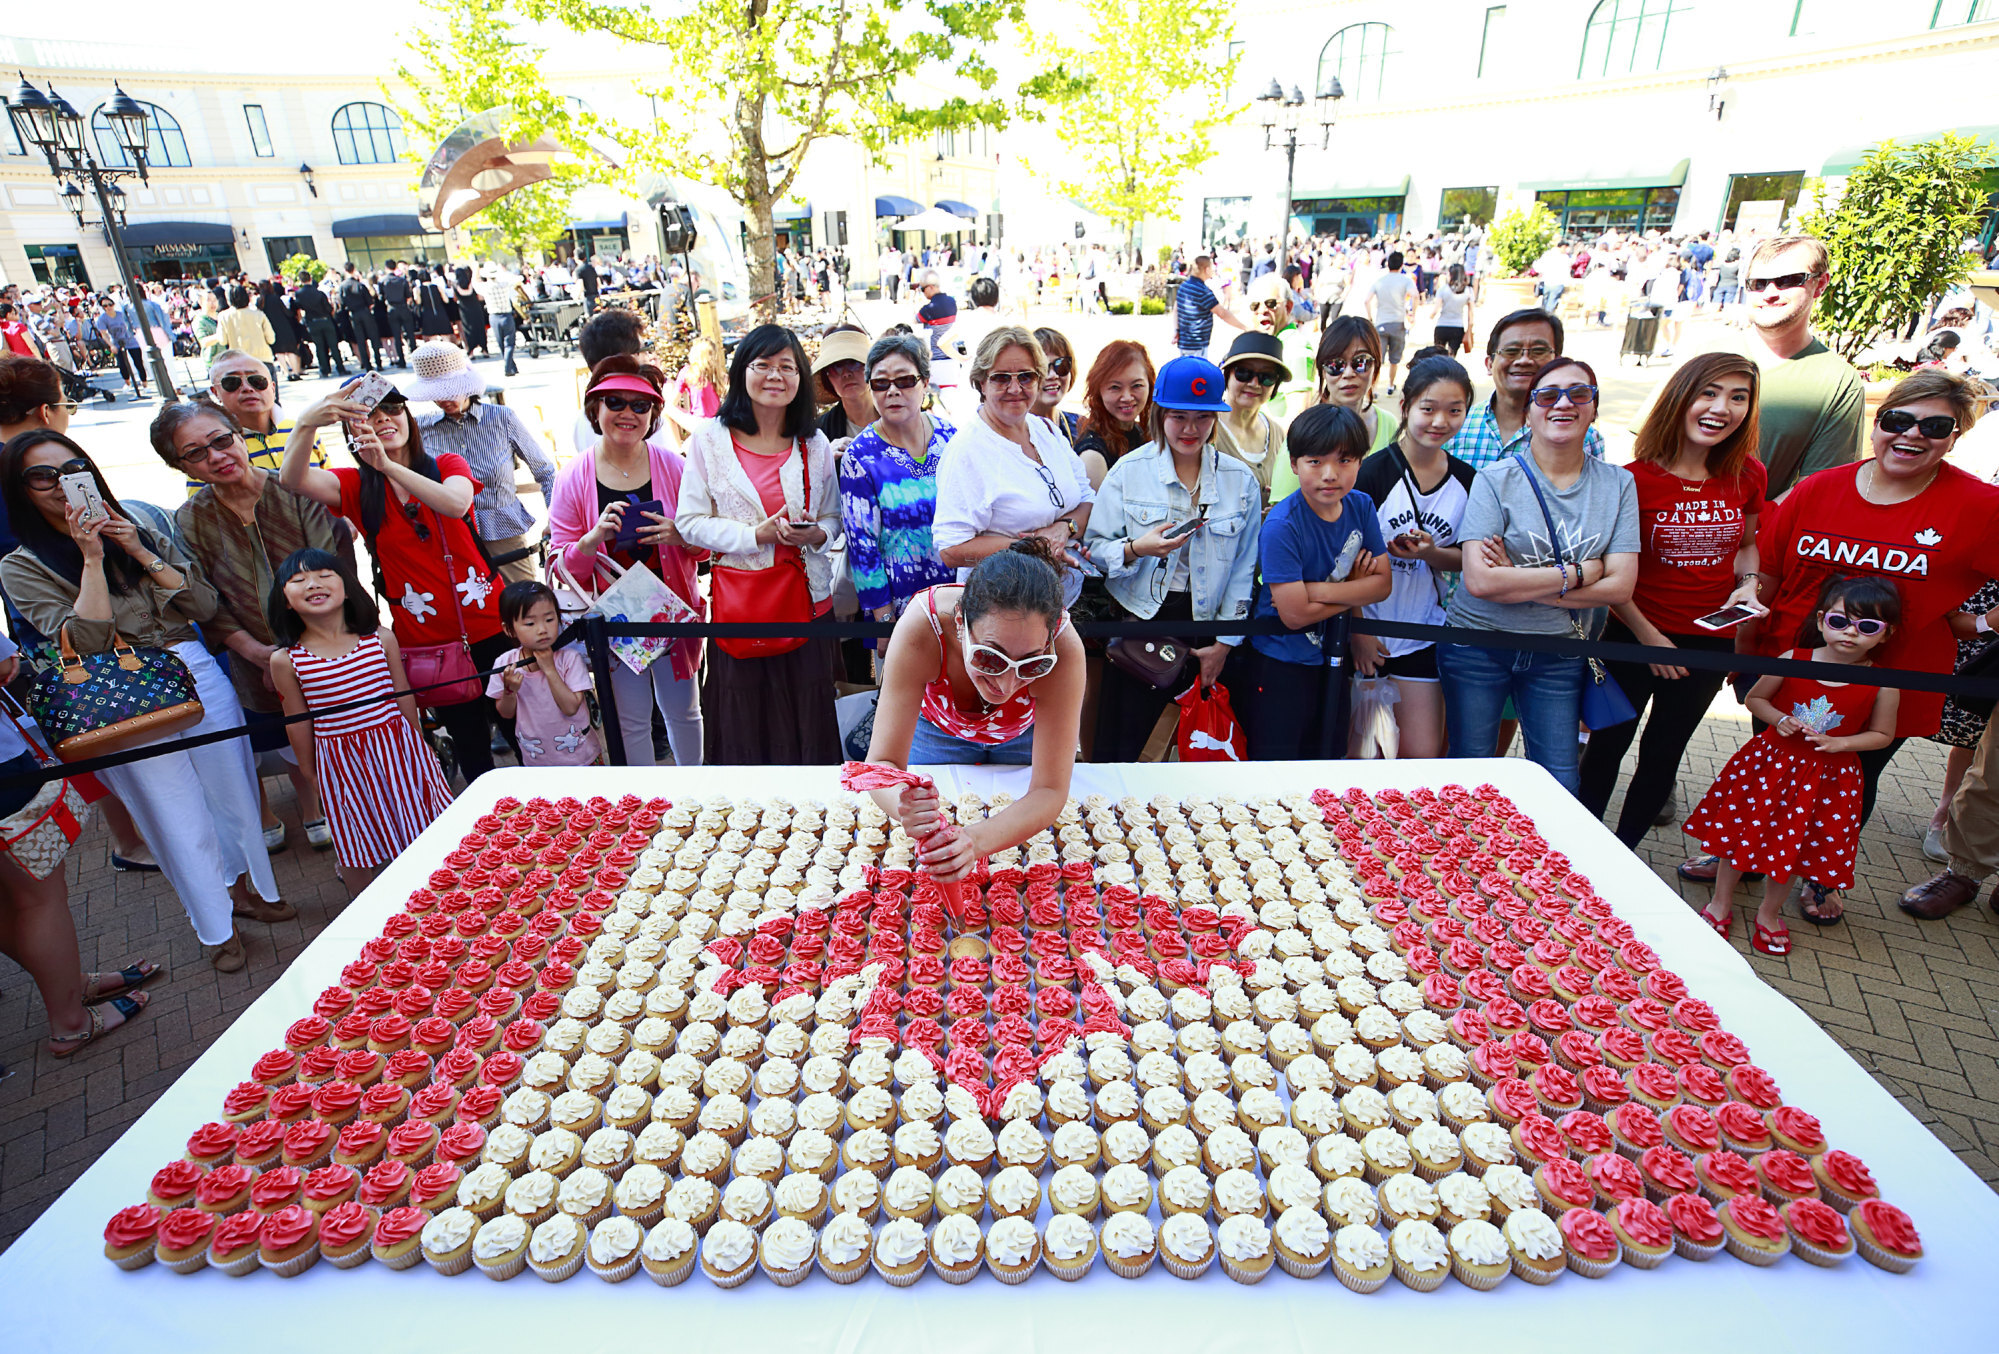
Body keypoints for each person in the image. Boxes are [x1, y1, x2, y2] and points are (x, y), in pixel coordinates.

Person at [1705, 369, 1999, 915]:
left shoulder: (1979, 505)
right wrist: (1744, 653)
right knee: (1770, 771)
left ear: (1955, 436)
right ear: (1877, 424)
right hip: (1789, 668)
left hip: (1886, 686)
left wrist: (1983, 625)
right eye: (1898, 420)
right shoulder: (1822, 487)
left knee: (1846, 786)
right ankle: (1743, 857)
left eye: (1936, 426)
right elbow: (1765, 573)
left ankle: (1819, 876)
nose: (1912, 435)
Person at [0, 431, 287, 973]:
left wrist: (135, 548)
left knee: (234, 794)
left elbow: (201, 604)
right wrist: (90, 559)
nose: (62, 486)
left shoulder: (141, 523)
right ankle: (215, 925)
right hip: (118, 692)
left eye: (73, 468)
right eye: (43, 477)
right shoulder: (22, 564)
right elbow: (84, 640)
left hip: (193, 668)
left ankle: (251, 891)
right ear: (21, 491)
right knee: (174, 813)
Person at [280, 378, 512, 783]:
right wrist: (305, 423)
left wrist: (389, 467)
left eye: (394, 409)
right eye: (370, 413)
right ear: (353, 428)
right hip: (429, 643)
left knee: (526, 735)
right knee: (474, 753)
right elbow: (292, 479)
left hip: (493, 624)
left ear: (409, 416)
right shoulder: (354, 486)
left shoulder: (447, 464)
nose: (385, 419)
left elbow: (456, 504)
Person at [1576, 354, 1766, 846]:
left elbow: (1746, 544)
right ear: (1681, 397)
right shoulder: (1630, 479)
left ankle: (1622, 854)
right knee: (1606, 747)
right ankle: (1578, 850)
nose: (1722, 407)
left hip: (1707, 644)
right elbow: (1611, 576)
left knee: (1664, 753)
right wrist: (1650, 638)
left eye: (1738, 397)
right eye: (1710, 392)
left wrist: (1749, 585)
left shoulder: (1750, 475)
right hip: (1634, 636)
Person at [1441, 357, 1639, 794]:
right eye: (1548, 395)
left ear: (1593, 407)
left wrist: (1526, 582)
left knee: (1560, 779)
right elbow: (1481, 582)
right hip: (1479, 643)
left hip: (1559, 651)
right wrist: (1580, 574)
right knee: (1470, 773)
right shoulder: (1496, 479)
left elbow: (1621, 585)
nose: (1562, 404)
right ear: (1530, 411)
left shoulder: (1619, 484)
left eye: (1578, 393)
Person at [163, 398, 348, 852]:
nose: (216, 456)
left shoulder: (295, 491)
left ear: (239, 436)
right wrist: (258, 654)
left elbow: (331, 568)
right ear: (178, 464)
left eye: (222, 441)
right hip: (252, 655)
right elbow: (208, 601)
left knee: (343, 729)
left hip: (327, 644)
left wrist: (295, 653)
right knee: (282, 731)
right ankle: (312, 803)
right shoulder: (191, 518)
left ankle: (352, 809)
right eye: (195, 453)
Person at [1684, 576, 1900, 955]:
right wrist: (1778, 718)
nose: (1850, 633)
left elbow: (1883, 734)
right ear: (1821, 621)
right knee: (1741, 838)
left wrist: (1842, 742)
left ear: (1885, 634)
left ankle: (1769, 913)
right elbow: (1755, 699)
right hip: (1770, 768)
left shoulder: (1882, 683)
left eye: (1867, 627)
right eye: (1839, 621)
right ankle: (1720, 902)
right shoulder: (1794, 660)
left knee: (1792, 849)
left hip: (1826, 778)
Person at [675, 325, 843, 764]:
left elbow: (832, 517)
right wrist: (754, 537)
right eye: (763, 365)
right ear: (741, 372)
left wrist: (817, 534)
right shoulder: (710, 439)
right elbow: (689, 522)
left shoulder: (813, 442)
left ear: (801, 379)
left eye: (787, 367)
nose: (775, 376)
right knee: (742, 728)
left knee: (807, 724)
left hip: (807, 605)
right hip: (742, 608)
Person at [1082, 356, 1261, 761]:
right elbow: (1093, 551)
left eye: (1202, 418)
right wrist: (1136, 549)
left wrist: (1226, 643)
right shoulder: (1129, 472)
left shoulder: (1240, 481)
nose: (1190, 429)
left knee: (1198, 747)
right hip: (1141, 624)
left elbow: (1243, 570)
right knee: (1124, 749)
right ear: (1159, 414)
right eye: (1178, 417)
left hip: (1209, 625)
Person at [267, 547, 453, 893]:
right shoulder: (286, 660)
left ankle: (443, 895)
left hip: (399, 750)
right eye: (298, 579)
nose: (312, 583)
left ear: (348, 587)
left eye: (324, 575)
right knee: (355, 842)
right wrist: (312, 774)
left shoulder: (379, 638)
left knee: (424, 824)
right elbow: (297, 720)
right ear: (286, 601)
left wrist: (418, 748)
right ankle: (367, 911)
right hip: (341, 763)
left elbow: (402, 695)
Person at [550, 355, 706, 768]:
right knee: (630, 721)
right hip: (615, 619)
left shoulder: (674, 465)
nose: (627, 413)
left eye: (641, 405)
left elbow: (706, 544)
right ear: (595, 410)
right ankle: (643, 806)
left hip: (672, 611)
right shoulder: (573, 476)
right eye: (615, 402)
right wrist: (592, 539)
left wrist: (681, 534)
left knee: (685, 713)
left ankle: (698, 794)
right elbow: (559, 567)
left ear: (654, 414)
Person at [1242, 404, 1392, 760]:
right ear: (1294, 465)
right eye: (1315, 462)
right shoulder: (1282, 525)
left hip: (1334, 655)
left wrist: (1317, 591)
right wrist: (1355, 587)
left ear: (1360, 461)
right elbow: (1293, 616)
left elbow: (1383, 584)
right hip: (1282, 661)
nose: (1330, 474)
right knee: (1277, 762)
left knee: (1329, 757)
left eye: (1344, 461)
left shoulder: (1361, 505)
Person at [864, 539, 1083, 781]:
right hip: (935, 733)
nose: (1006, 685)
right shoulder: (924, 625)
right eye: (990, 657)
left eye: (1032, 664)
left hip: (1026, 736)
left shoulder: (1063, 645)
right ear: (960, 622)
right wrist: (906, 803)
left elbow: (1048, 791)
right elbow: (882, 765)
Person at [1351, 356, 1477, 759]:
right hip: (1368, 629)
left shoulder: (1467, 481)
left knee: (1421, 758)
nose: (1440, 421)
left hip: (1424, 632)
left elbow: (1467, 559)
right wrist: (1359, 632)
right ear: (1405, 407)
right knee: (1361, 757)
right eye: (1428, 408)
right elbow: (1343, 562)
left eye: (1454, 411)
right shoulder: (1371, 473)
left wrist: (1432, 553)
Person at [934, 326, 1096, 610]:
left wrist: (1063, 528)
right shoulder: (967, 451)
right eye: (1000, 378)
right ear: (981, 383)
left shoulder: (1045, 429)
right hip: (1002, 611)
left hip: (1061, 603)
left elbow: (1088, 499)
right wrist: (1033, 548)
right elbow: (951, 549)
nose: (1015, 388)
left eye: (1026, 376)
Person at [408, 340, 557, 584]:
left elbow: (547, 473)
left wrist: (556, 520)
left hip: (504, 531)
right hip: (449, 536)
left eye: (450, 389)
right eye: (436, 394)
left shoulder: (501, 418)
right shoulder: (418, 427)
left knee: (524, 604)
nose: (444, 399)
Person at [840, 332, 957, 640]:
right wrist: (885, 621)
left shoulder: (952, 439)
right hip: (900, 612)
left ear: (924, 382)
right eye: (880, 383)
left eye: (904, 380)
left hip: (960, 602)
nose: (892, 391)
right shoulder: (860, 456)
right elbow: (862, 548)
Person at [1741, 236, 1865, 496]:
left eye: (1788, 280)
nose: (1770, 293)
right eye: (1758, 283)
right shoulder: (1703, 350)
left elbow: (1820, 483)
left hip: (1762, 531)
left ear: (1820, 284)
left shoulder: (1839, 381)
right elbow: (1651, 448)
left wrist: (1756, 525)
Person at [1445, 308, 1607, 470]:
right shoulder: (1454, 426)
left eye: (1538, 351)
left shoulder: (1585, 439)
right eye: (1511, 351)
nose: (1524, 360)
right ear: (1489, 364)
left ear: (1557, 362)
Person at [489, 579, 602, 767]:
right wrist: (510, 691)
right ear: (509, 629)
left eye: (549, 620)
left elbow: (570, 708)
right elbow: (506, 713)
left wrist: (549, 669)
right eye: (530, 623)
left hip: (581, 758)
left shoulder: (569, 659)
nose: (542, 630)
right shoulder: (504, 664)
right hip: (537, 759)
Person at [192, 350, 329, 493]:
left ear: (272, 388)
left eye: (257, 380)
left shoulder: (302, 430)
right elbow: (201, 510)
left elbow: (334, 487)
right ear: (215, 393)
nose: (247, 388)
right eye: (232, 382)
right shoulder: (209, 450)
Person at [1213, 332, 1288, 506]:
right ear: (1227, 375)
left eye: (1266, 377)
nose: (1254, 383)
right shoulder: (1206, 429)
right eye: (1244, 373)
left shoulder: (1277, 433)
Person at [1073, 339, 1156, 487]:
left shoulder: (1141, 433)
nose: (1127, 397)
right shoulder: (1093, 456)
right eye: (1115, 387)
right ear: (1099, 390)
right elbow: (1097, 510)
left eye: (1137, 385)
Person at [1173, 254, 1247, 359]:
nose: (1213, 270)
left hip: (1184, 342)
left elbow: (1176, 309)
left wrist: (1176, 330)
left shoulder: (1183, 287)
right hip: (1198, 344)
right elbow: (1222, 313)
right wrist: (1245, 327)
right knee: (1197, 373)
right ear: (1206, 269)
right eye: (1212, 267)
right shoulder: (1203, 291)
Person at [811, 327, 876, 442]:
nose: (846, 374)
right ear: (828, 377)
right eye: (837, 366)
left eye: (854, 363)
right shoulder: (820, 432)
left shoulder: (903, 416)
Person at [1365, 251, 1416, 394]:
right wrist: (1412, 313)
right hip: (1398, 322)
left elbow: (1366, 300)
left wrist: (1370, 317)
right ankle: (1390, 385)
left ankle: (1374, 388)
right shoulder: (1406, 280)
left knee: (1377, 360)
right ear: (1401, 265)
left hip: (1381, 322)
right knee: (1395, 359)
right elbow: (1415, 295)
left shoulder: (1380, 281)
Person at [1029, 327, 1082, 444]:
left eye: (1061, 365)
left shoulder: (1083, 427)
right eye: (1042, 368)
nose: (1052, 375)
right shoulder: (1013, 434)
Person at [668, 335, 727, 433]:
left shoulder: (688, 372)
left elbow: (672, 402)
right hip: (717, 423)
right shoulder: (718, 375)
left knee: (667, 410)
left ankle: (676, 447)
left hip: (699, 423)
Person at [216, 287, 275, 381]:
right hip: (263, 358)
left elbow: (222, 341)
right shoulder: (258, 314)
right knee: (270, 393)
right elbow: (271, 339)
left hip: (239, 362)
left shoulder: (223, 316)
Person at [92, 294, 145, 399]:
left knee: (138, 362)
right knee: (122, 364)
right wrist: (111, 345)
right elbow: (104, 334)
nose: (108, 307)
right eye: (105, 306)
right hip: (117, 342)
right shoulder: (102, 319)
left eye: (110, 304)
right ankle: (128, 382)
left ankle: (144, 383)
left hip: (130, 340)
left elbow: (131, 324)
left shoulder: (121, 315)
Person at [291, 276, 344, 378]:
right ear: (310, 279)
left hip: (313, 322)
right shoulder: (319, 293)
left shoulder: (299, 294)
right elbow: (328, 308)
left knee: (319, 347)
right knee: (333, 346)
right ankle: (340, 368)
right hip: (325, 319)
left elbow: (297, 306)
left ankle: (324, 370)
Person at [338, 264, 385, 372]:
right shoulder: (360, 285)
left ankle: (367, 364)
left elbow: (341, 303)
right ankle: (378, 363)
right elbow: (370, 301)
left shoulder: (343, 286)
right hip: (365, 311)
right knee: (373, 338)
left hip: (353, 314)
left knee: (360, 340)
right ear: (354, 270)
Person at [258, 279, 302, 381]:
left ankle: (286, 373)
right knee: (291, 351)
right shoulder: (275, 298)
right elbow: (287, 312)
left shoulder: (260, 301)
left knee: (279, 352)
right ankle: (295, 372)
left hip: (270, 328)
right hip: (284, 327)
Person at [378, 262, 416, 365]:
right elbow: (408, 296)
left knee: (396, 335)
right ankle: (415, 357)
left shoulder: (383, 281)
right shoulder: (402, 280)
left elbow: (381, 297)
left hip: (391, 309)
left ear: (386, 268)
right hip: (403, 307)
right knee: (410, 333)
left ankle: (402, 360)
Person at [915, 273, 958, 361]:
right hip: (953, 355)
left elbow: (915, 320)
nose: (922, 292)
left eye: (923, 289)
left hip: (935, 357)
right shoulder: (952, 301)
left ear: (931, 287)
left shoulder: (927, 309)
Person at [1431, 264, 1472, 355]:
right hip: (1458, 327)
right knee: (1452, 357)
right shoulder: (1468, 291)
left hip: (1442, 325)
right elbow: (1471, 315)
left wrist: (1430, 316)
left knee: (1438, 357)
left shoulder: (1443, 289)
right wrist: (1469, 329)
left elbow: (1435, 310)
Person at [453, 266, 490, 357]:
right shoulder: (472, 283)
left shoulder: (455, 285)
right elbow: (479, 297)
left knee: (468, 330)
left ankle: (471, 352)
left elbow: (455, 298)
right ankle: (484, 349)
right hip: (476, 308)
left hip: (464, 310)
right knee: (480, 329)